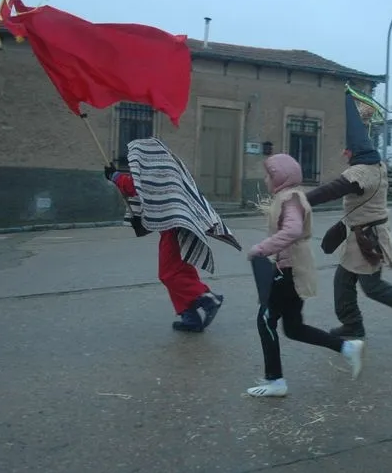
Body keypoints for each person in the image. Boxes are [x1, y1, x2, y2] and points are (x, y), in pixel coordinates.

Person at [304, 85, 392, 339]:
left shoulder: (363, 173)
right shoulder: (375, 165)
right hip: (359, 234)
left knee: (372, 288)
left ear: (355, 153)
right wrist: (361, 119)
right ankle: (352, 325)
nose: (344, 153)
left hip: (368, 238)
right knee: (343, 283)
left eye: (347, 150)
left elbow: (331, 190)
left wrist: (300, 199)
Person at [245, 154, 365, 397]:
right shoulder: (290, 196)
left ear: (280, 176)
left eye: (269, 174)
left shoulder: (289, 198)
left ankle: (275, 380)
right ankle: (347, 347)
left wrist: (261, 249)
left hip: (288, 271)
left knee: (266, 319)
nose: (266, 179)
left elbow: (292, 230)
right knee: (293, 328)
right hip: (293, 268)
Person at [105, 137, 241, 333]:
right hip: (175, 226)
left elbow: (142, 187)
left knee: (169, 273)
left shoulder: (159, 171)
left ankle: (207, 298)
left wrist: (116, 177)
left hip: (175, 226)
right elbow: (151, 198)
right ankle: (190, 317)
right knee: (181, 271)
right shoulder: (167, 168)